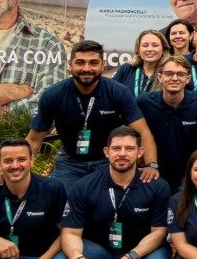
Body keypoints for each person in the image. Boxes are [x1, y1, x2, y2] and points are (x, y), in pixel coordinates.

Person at [48, 126, 172, 259]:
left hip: (142, 252)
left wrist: (131, 257)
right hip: (101, 250)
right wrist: (78, 258)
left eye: (129, 148)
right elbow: (70, 232)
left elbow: (159, 232)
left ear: (140, 152)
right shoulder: (84, 186)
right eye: (116, 148)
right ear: (107, 152)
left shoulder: (157, 186)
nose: (122, 153)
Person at [28, 41, 159, 186]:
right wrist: (19, 170)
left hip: (107, 161)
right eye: (80, 63)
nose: (86, 68)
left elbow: (143, 131)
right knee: (61, 198)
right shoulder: (53, 94)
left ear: (103, 65)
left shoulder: (118, 92)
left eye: (93, 63)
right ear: (70, 65)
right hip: (69, 163)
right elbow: (34, 140)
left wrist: (151, 165)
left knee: (109, 199)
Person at [137, 54, 197, 190]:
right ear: (159, 77)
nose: (174, 78)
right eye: (169, 74)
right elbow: (131, 136)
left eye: (180, 74)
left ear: (188, 78)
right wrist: (148, 164)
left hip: (191, 177)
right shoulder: (144, 102)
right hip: (155, 173)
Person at [111, 28, 167, 98]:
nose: (149, 49)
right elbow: (109, 92)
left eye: (155, 45)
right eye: (145, 45)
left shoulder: (169, 72)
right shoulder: (126, 69)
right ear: (138, 50)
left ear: (163, 49)